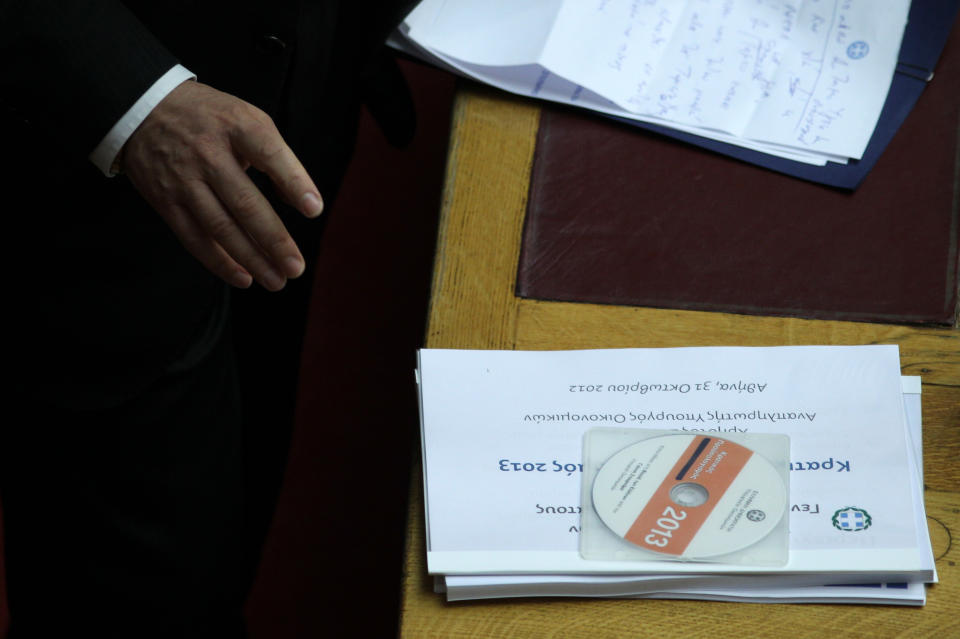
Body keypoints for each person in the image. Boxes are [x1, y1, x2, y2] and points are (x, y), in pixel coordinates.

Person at [1, 2, 416, 636]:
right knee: (128, 585)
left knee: (240, 489)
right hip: (86, 160)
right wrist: (134, 98)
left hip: (296, 93)